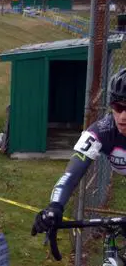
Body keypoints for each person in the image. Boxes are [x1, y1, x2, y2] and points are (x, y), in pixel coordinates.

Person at [33, 67, 126, 238]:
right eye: (118, 107)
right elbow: (71, 175)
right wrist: (55, 207)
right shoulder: (102, 131)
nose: (122, 117)